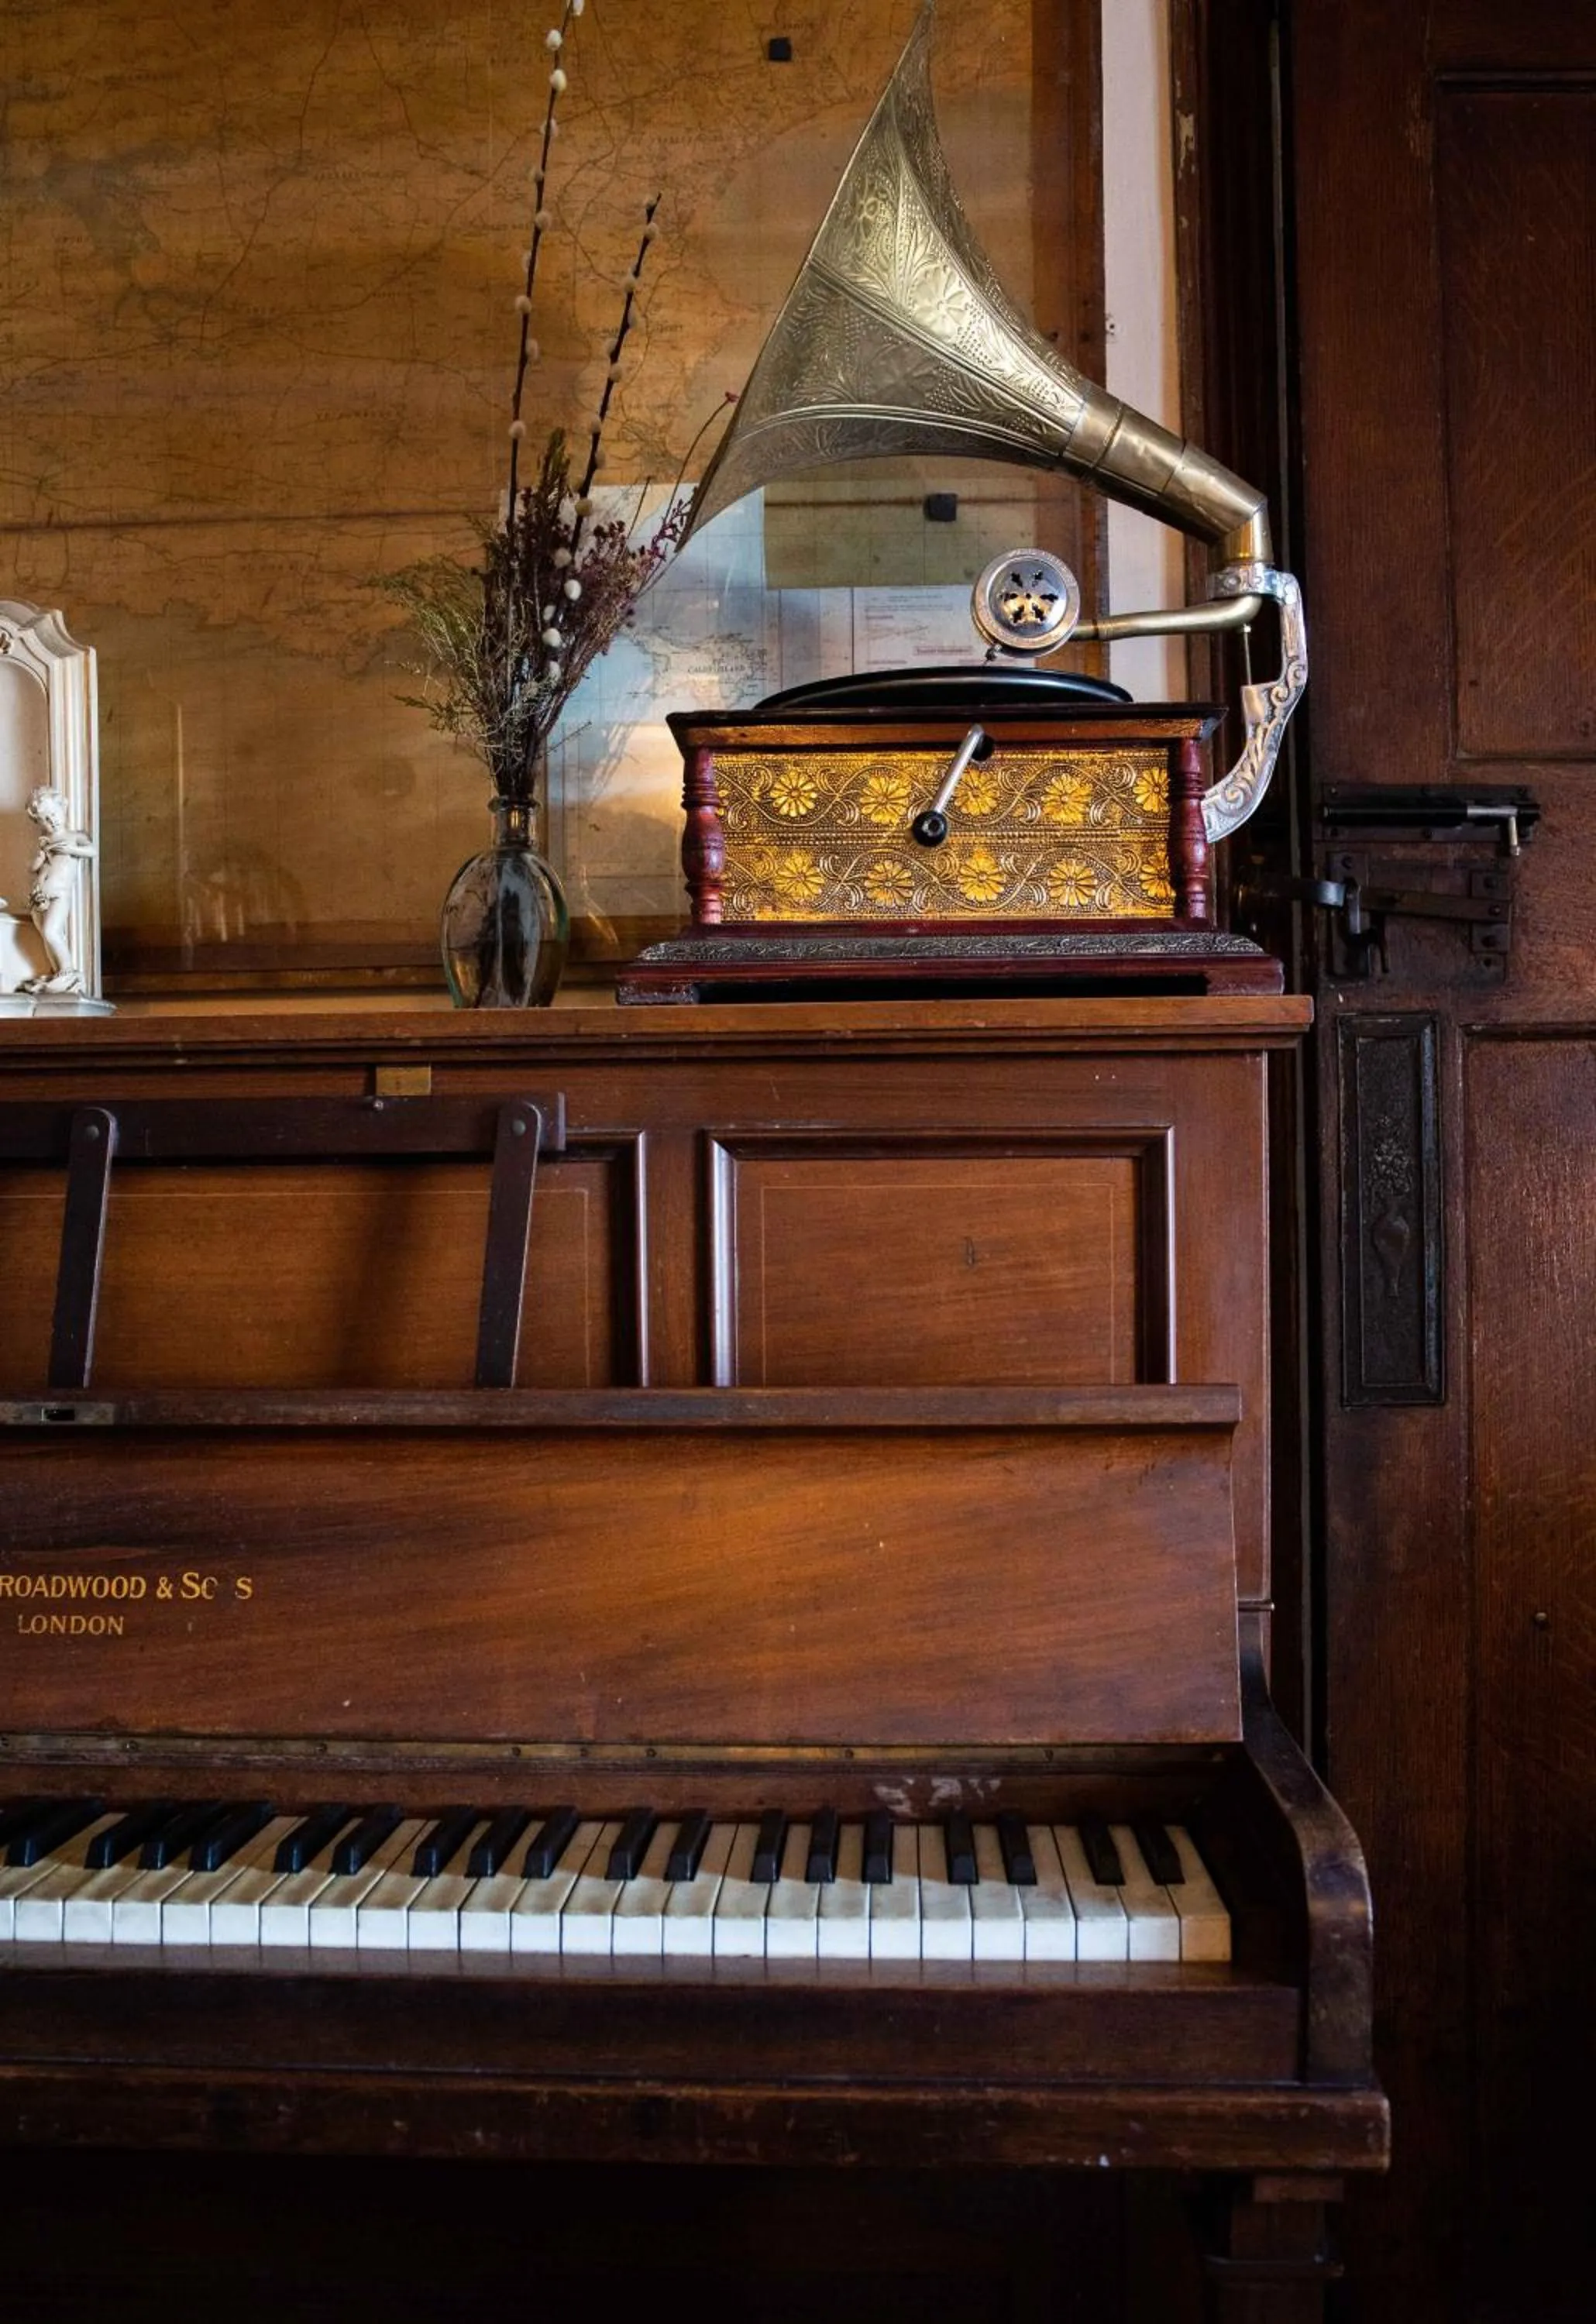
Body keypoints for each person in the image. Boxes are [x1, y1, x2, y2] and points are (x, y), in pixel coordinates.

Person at [17, 786, 94, 995]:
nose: (52, 821)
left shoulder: (75, 836)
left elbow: (92, 850)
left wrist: (71, 849)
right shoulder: (45, 842)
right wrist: (40, 856)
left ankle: (68, 971)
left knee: (52, 931)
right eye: (45, 819)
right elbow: (33, 868)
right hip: (39, 897)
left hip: (59, 895)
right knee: (45, 935)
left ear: (63, 807)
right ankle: (57, 971)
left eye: (54, 814)